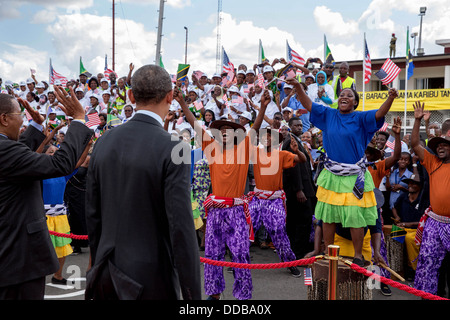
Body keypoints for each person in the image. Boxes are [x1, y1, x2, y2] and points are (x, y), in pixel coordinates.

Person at [84, 64, 201, 300]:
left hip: (105, 273)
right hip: (151, 280)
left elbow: (93, 215)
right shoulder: (176, 146)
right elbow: (180, 228)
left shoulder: (104, 141)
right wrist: (192, 297)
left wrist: (97, 268)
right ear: (170, 97)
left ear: (131, 96)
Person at [287, 76, 398, 267]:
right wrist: (297, 86)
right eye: (342, 95)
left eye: (349, 95)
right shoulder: (329, 114)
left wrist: (390, 99)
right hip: (331, 173)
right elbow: (310, 104)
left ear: (355, 102)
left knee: (355, 215)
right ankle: (330, 252)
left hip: (354, 175)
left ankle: (357, 255)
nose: (344, 97)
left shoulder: (361, 118)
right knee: (328, 215)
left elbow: (379, 114)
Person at [174, 84, 271, 301]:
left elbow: (254, 127)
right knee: (212, 255)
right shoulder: (211, 146)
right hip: (215, 212)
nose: (225, 133)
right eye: (222, 131)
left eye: (229, 130)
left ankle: (243, 296)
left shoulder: (244, 147)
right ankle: (214, 295)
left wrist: (263, 107)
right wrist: (181, 102)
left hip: (236, 210)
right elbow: (194, 124)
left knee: (240, 255)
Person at [0, 87, 93, 300]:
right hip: (17, 260)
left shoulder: (6, 149)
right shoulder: (5, 150)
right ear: (4, 119)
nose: (23, 120)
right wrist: (79, 120)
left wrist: (35, 125)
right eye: (20, 116)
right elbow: (61, 163)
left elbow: (20, 154)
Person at [248, 126, 307, 277]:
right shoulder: (255, 153)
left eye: (270, 136)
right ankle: (238, 262)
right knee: (246, 229)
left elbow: (302, 159)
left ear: (275, 140)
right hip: (257, 198)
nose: (267, 138)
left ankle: (289, 263)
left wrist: (297, 150)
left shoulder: (281, 154)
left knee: (279, 232)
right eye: (264, 136)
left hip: (274, 201)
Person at [410, 101, 450, 296]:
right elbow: (415, 144)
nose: (441, 148)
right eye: (438, 145)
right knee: (430, 263)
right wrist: (417, 120)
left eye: (445, 145)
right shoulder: (433, 162)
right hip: (435, 222)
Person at [282, 117, 316, 259]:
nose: (299, 127)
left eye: (301, 125)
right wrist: (298, 189)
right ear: (290, 126)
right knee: (301, 221)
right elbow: (293, 168)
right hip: (300, 190)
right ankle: (297, 253)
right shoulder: (291, 141)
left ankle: (295, 251)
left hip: (306, 187)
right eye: (296, 125)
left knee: (301, 221)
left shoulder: (299, 141)